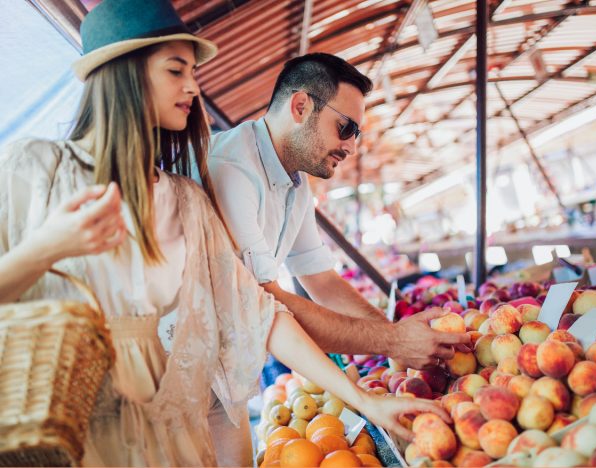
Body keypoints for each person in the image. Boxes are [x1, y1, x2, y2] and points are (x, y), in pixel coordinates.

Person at [0, 0, 450, 466]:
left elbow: (261, 311)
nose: (193, 86)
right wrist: (46, 249)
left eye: (193, 71)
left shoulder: (186, 201)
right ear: (124, 73)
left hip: (170, 433)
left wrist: (367, 398)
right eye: (176, 70)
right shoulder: (33, 171)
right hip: (72, 433)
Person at [208, 54, 471, 370]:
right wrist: (394, 341)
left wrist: (397, 335)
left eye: (356, 134)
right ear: (301, 107)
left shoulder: (295, 180)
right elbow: (263, 300)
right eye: (346, 128)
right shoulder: (233, 170)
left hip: (226, 369)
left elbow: (320, 279)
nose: (352, 148)